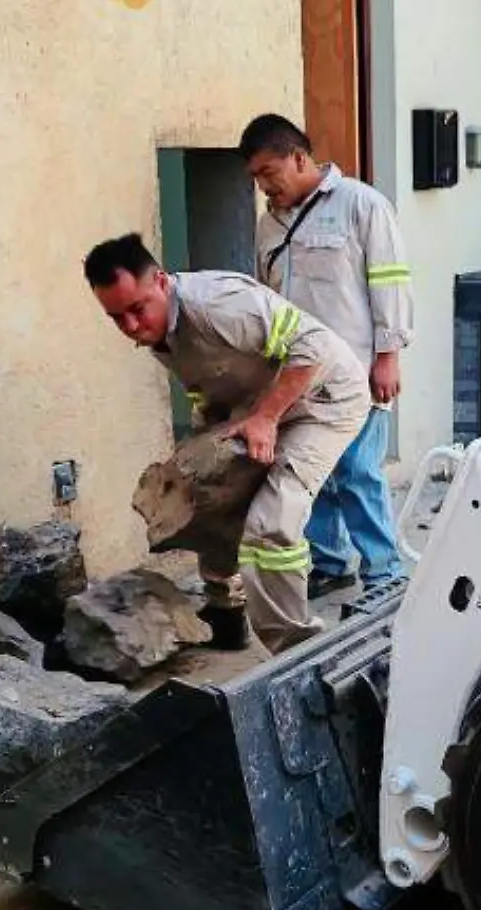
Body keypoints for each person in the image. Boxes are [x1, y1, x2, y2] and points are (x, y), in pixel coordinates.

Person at [82, 233, 369, 653]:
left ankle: (299, 651)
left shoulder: (218, 305)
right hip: (258, 402)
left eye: (137, 309)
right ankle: (225, 610)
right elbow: (209, 384)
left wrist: (266, 418)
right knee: (208, 493)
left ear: (160, 282)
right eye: (116, 318)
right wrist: (205, 446)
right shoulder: (162, 333)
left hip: (324, 399)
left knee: (272, 523)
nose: (130, 327)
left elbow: (314, 349)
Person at [239, 114, 414, 599]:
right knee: (313, 469)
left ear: (299, 158)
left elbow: (390, 281)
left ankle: (383, 573)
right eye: (254, 177)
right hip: (298, 374)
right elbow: (265, 301)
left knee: (358, 471)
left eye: (268, 172)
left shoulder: (362, 205)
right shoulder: (268, 227)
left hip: (357, 370)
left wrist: (388, 355)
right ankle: (330, 563)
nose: (263, 186)